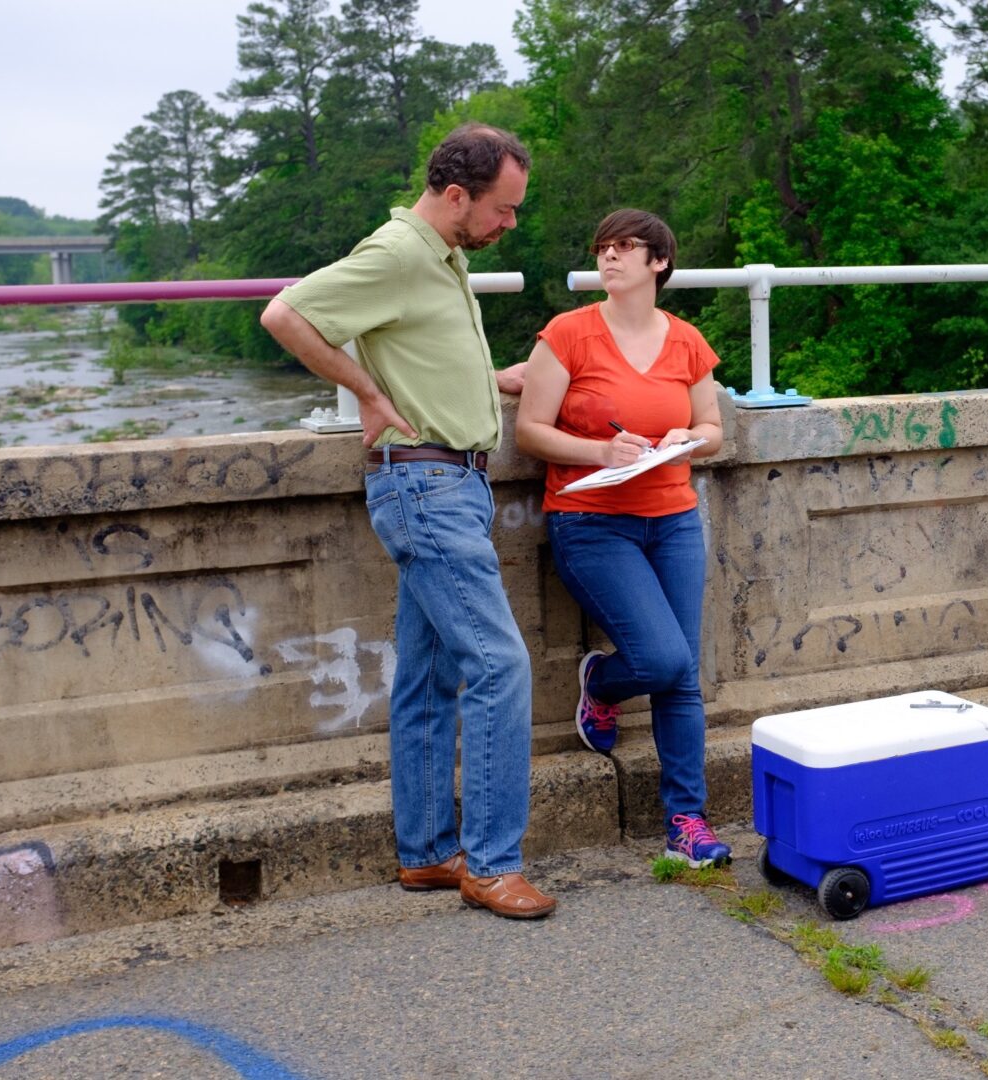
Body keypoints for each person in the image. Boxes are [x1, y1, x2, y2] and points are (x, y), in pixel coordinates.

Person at [259, 122, 554, 919]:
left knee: (429, 680)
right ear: (456, 195)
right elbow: (285, 316)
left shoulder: (444, 257)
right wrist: (365, 391)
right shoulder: (396, 253)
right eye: (504, 208)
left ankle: (427, 855)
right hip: (425, 490)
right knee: (500, 666)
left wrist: (492, 380)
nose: (510, 224)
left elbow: (414, 352)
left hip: (446, 483)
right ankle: (492, 866)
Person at [514, 209, 731, 868]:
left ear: (658, 262)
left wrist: (684, 439)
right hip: (590, 522)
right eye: (603, 247)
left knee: (682, 676)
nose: (610, 257)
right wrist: (598, 451)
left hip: (672, 518)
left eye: (626, 247)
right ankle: (603, 683)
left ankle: (686, 820)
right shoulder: (568, 334)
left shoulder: (687, 342)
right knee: (664, 660)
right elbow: (529, 429)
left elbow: (714, 430)